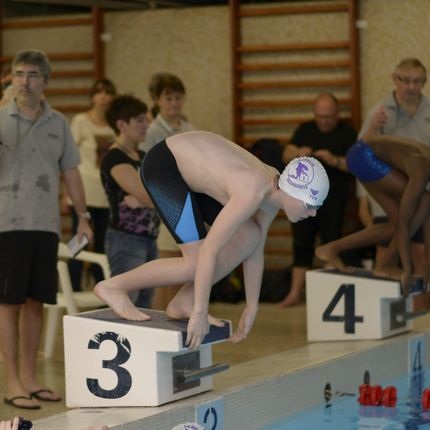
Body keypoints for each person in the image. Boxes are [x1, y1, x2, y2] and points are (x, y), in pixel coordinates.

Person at [95, 130, 330, 349]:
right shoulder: (252, 191)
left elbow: (255, 253)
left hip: (191, 170)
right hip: (165, 167)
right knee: (194, 263)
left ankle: (184, 303)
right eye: (311, 205)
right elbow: (209, 250)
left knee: (251, 235)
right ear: (295, 193)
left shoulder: (273, 192)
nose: (313, 213)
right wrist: (201, 311)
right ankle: (113, 287)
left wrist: (251, 307)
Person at [0, 50, 93, 409]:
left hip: (45, 224)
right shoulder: (1, 119)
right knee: (8, 304)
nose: (24, 81)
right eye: (18, 74)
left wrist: (83, 216)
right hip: (7, 223)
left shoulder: (59, 123)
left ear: (45, 82)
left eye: (32, 75)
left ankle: (30, 377)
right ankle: (12, 381)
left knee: (36, 302)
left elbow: (71, 171)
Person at [316, 134, 430, 296]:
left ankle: (331, 248)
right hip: (364, 155)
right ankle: (387, 264)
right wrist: (407, 269)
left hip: (361, 155)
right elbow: (404, 223)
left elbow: (426, 222)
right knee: (422, 201)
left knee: (397, 223)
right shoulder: (422, 169)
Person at [278, 93, 356, 307]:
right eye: (320, 116)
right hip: (304, 197)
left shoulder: (347, 133)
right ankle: (295, 293)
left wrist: (334, 160)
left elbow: (354, 166)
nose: (324, 121)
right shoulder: (305, 130)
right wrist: (297, 152)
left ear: (337, 114)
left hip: (333, 197)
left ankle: (331, 296)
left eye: (329, 117)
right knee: (301, 243)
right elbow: (285, 154)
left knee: (331, 242)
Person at [358, 57, 430, 277]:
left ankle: (419, 300)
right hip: (388, 193)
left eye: (417, 81)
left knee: (420, 254)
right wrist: (373, 128)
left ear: (424, 82)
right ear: (394, 79)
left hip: (421, 193)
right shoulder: (379, 112)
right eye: (405, 80)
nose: (411, 87)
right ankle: (383, 299)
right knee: (385, 254)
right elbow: (361, 154)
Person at [140, 73, 194, 310]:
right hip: (163, 206)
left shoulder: (189, 128)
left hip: (187, 202)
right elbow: (144, 169)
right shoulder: (152, 131)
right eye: (168, 98)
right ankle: (159, 321)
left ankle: (178, 319)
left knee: (186, 271)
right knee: (165, 273)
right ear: (157, 100)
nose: (174, 103)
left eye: (178, 98)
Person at [101, 94, 160, 308]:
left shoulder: (143, 156)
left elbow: (163, 192)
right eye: (140, 120)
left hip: (149, 238)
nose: (146, 125)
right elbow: (149, 195)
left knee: (144, 306)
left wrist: (144, 200)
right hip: (126, 239)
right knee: (126, 304)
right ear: (121, 125)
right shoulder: (115, 157)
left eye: (146, 119)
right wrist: (146, 199)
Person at [66, 79, 117, 291]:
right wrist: (66, 193)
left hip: (105, 195)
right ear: (93, 96)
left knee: (103, 244)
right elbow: (67, 157)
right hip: (83, 192)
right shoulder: (81, 121)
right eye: (99, 92)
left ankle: (101, 290)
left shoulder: (115, 124)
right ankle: (72, 287)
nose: (103, 96)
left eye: (108, 92)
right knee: (79, 240)